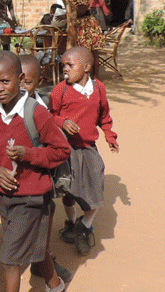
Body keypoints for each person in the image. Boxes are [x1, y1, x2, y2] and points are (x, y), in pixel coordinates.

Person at [0, 51, 73, 292]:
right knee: (36, 249)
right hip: (5, 197)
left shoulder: (36, 113)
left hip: (32, 198)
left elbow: (61, 150)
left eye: (5, 81)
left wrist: (29, 155)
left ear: (20, 80)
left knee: (10, 259)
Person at [49, 47, 118, 259]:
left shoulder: (98, 89)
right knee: (68, 190)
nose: (65, 70)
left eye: (70, 66)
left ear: (86, 67)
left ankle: (84, 226)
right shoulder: (60, 90)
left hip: (88, 148)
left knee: (96, 189)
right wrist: (62, 122)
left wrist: (110, 135)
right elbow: (49, 116)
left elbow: (104, 116)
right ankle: (70, 223)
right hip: (66, 149)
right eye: (63, 66)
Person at [67, 0, 106, 74]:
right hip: (83, 24)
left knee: (91, 53)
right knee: (90, 52)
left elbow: (82, 10)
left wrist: (67, 15)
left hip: (86, 25)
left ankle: (95, 77)